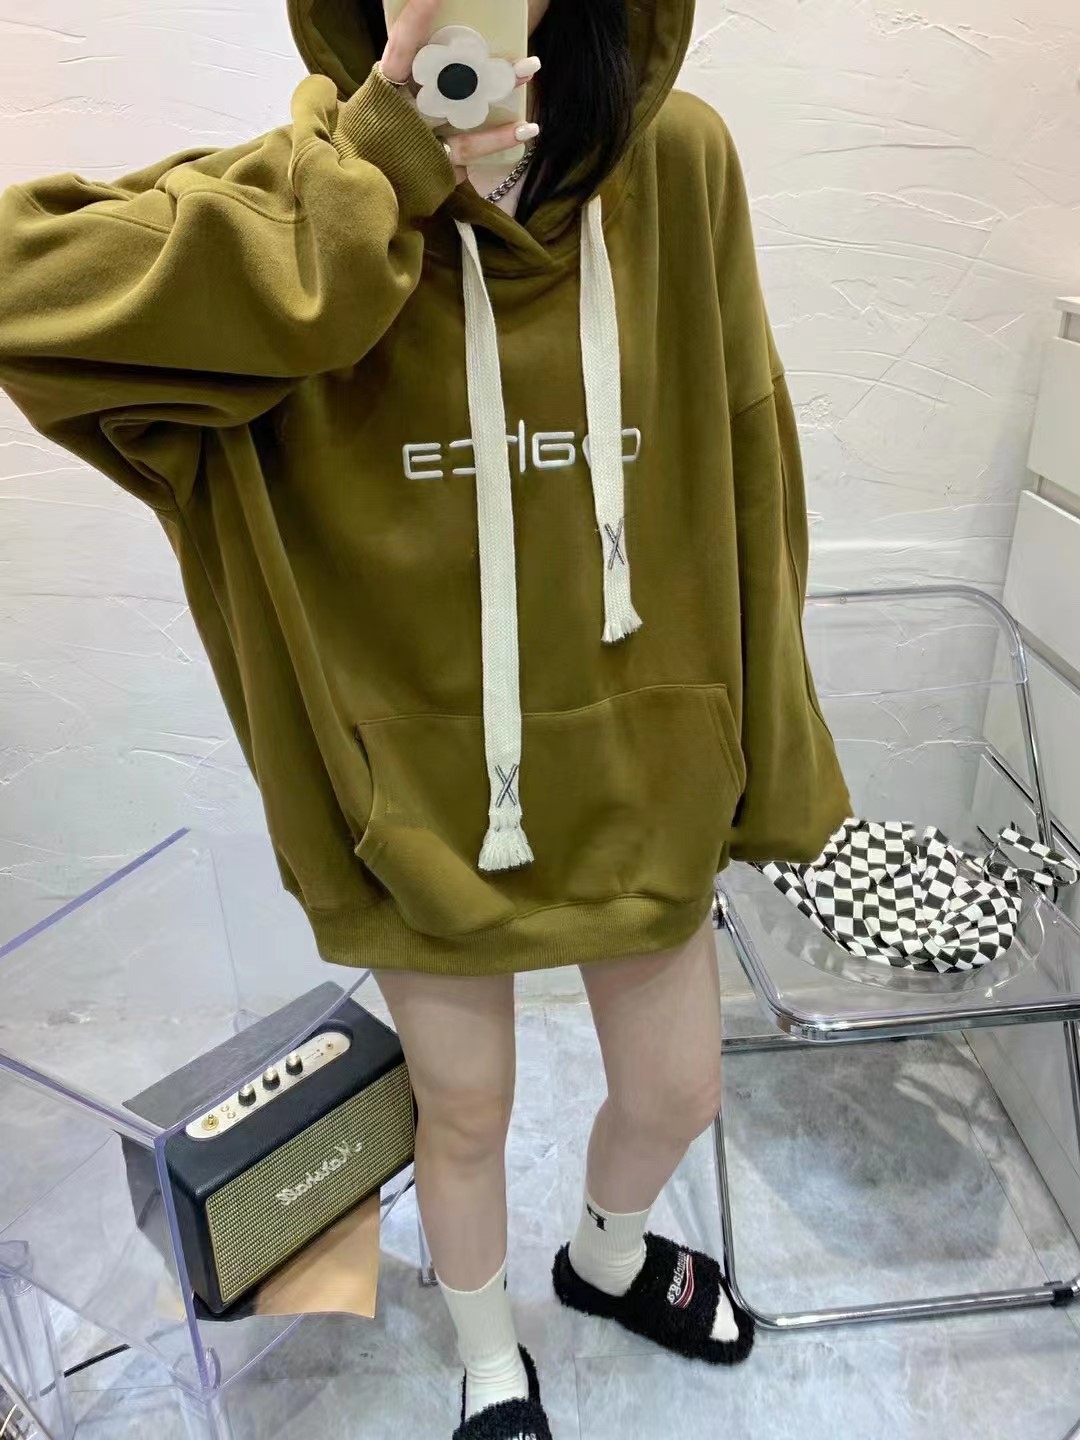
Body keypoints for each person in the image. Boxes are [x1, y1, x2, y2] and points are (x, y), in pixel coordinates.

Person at [0, 1, 851, 1435]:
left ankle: (606, 1255)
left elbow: (747, 456)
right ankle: (486, 1359)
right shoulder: (309, 200)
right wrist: (374, 175)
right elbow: (24, 291)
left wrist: (772, 764)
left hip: (645, 767)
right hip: (413, 805)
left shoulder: (680, 163)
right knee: (462, 1110)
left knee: (679, 1092)